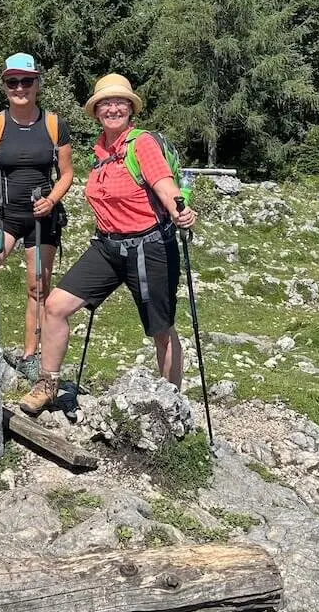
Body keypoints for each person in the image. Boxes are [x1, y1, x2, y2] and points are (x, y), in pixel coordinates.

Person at [20, 73, 197, 415]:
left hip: (149, 247)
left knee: (161, 330)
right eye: (106, 104)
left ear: (131, 109)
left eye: (120, 103)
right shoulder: (100, 150)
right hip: (107, 246)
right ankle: (47, 385)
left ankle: (171, 404)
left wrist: (180, 211)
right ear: (96, 111)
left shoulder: (141, 144)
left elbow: (165, 185)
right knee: (55, 307)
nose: (113, 109)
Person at [0, 53, 73, 381]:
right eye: (13, 82)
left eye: (26, 81)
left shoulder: (54, 125)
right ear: (5, 86)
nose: (20, 88)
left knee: (38, 288)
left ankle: (29, 356)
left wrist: (51, 200)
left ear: (37, 83)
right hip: (3, 217)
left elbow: (67, 173)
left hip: (42, 219)